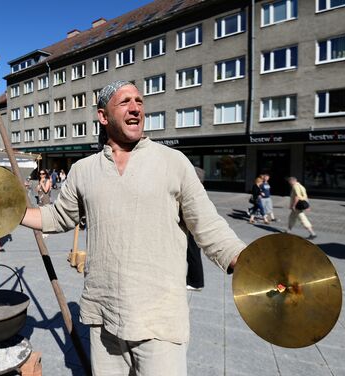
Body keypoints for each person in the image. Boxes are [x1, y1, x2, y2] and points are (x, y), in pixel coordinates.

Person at [20, 80, 245, 375]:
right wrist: (10, 214)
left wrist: (246, 261)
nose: (136, 107)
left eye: (139, 101)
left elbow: (208, 224)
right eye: (125, 102)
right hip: (104, 316)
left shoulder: (173, 162)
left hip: (160, 318)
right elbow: (58, 216)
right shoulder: (83, 170)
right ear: (103, 116)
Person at [186, 167, 206, 292]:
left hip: (193, 226)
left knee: (193, 253)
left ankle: (196, 282)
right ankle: (194, 280)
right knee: (192, 253)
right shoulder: (199, 191)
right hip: (194, 225)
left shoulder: (195, 193)